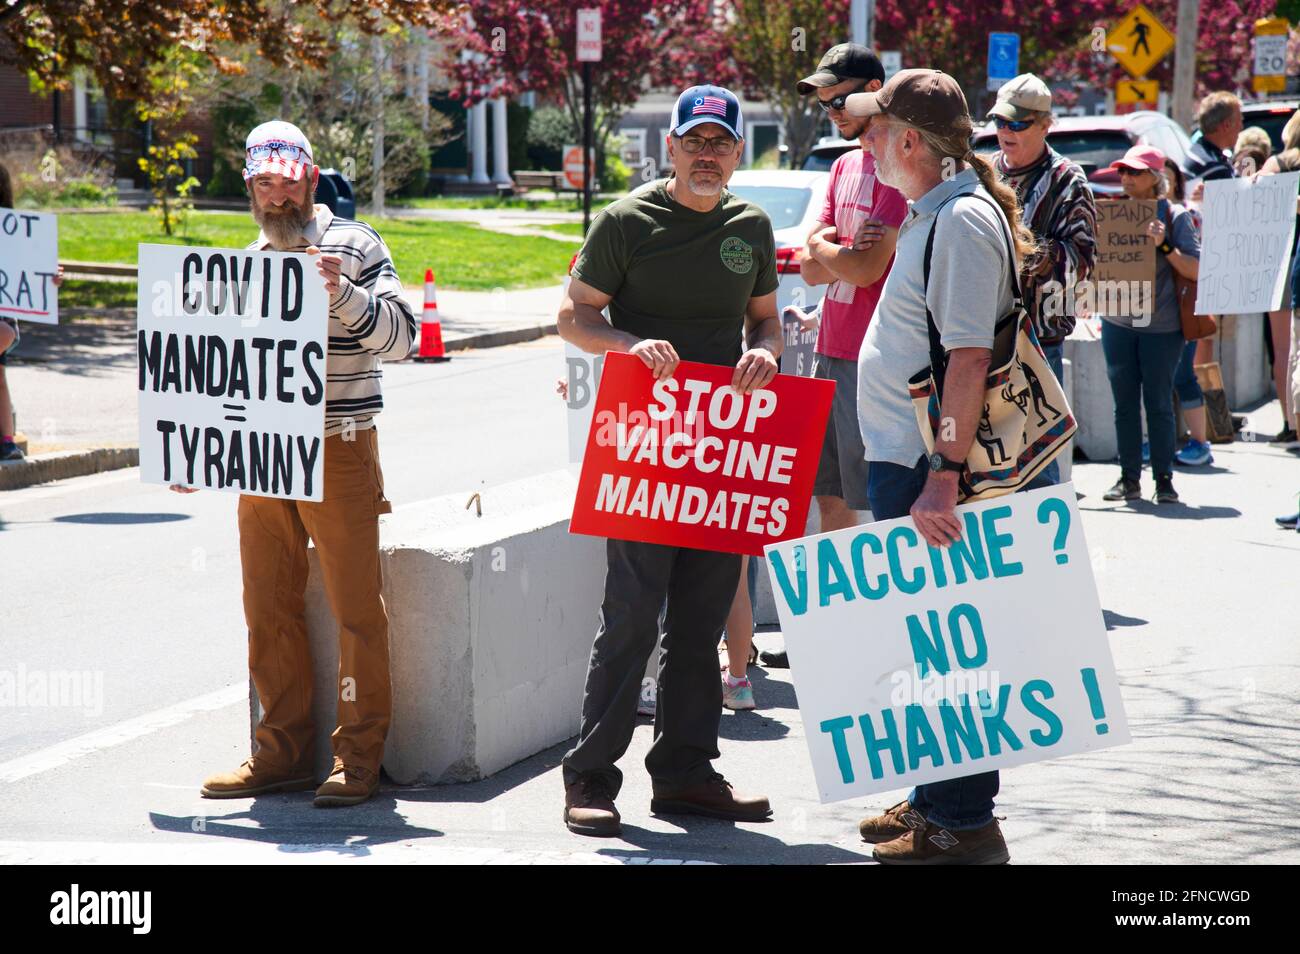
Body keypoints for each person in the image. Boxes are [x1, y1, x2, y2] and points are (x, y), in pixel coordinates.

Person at [557, 84, 781, 838]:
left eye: (721, 142)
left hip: (724, 448)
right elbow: (573, 315)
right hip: (645, 446)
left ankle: (686, 773)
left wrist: (765, 357)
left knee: (702, 620)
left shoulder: (750, 225)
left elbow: (768, 323)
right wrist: (625, 344)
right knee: (630, 613)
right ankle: (590, 776)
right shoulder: (627, 221)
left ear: (737, 152)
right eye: (695, 141)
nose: (707, 154)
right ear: (672, 148)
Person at [845, 68, 1053, 865]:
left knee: (948, 652)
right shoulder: (943, 210)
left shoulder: (960, 220)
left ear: (909, 142)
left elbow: (968, 359)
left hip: (934, 467)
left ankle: (963, 823)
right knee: (929, 643)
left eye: (874, 132)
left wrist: (941, 471)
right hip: (917, 457)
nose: (866, 145)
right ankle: (938, 799)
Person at [191, 120, 416, 808]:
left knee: (356, 609)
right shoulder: (244, 257)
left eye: (289, 181)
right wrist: (192, 439)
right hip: (262, 451)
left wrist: (343, 294)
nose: (278, 195)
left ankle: (358, 759)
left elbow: (404, 338)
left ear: (312, 179)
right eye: (265, 182)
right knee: (268, 605)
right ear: (250, 188)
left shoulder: (354, 243)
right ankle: (280, 754)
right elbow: (220, 368)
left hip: (339, 443)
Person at [795, 43, 909, 535]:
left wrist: (825, 244)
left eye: (837, 101)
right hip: (830, 350)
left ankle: (893, 612)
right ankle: (840, 615)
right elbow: (808, 269)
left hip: (877, 358)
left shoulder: (898, 166)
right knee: (830, 495)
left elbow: (866, 270)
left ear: (872, 92)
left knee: (883, 503)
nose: (830, 113)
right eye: (823, 105)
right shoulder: (841, 167)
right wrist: (837, 244)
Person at [986, 73, 1096, 485]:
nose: (1005, 132)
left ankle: (1046, 548)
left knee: (1037, 466)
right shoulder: (985, 173)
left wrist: (1024, 249)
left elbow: (1082, 264)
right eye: (1000, 122)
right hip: (980, 340)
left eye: (1018, 124)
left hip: (1037, 345)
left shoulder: (1068, 180)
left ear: (1045, 124)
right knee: (990, 464)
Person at [1097, 145, 1200, 505]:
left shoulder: (1175, 215)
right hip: (1117, 322)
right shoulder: (1108, 214)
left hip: (1161, 328)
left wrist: (1165, 246)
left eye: (1135, 172)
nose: (1126, 178)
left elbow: (1196, 269)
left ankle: (1164, 480)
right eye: (1123, 171)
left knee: (1157, 402)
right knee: (1123, 404)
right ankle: (1129, 479)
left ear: (1154, 178)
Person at [0, 161, 62, 462]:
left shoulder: (14, 231)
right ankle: (6, 440)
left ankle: (6, 439)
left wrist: (49, 278)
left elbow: (30, 269)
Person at [1164, 158, 1213, 467]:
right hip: (1154, 312)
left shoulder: (1185, 215)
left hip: (1182, 309)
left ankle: (1200, 442)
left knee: (1183, 375)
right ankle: (1160, 443)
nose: (1159, 183)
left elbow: (1198, 263)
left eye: (1165, 178)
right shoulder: (1135, 216)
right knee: (1158, 381)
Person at [1260, 111, 1300, 444]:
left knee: (1286, 350)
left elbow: (1251, 199)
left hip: (1283, 261)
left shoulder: (1279, 164)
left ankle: (1290, 421)